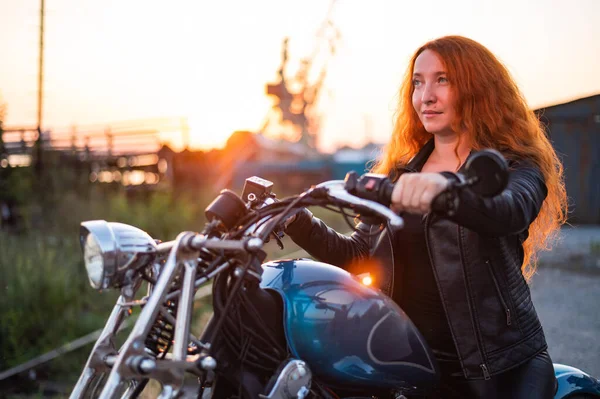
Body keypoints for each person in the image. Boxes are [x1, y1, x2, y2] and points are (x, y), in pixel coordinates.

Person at [285, 35, 567, 398]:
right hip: (412, 364)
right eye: (418, 82)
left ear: (477, 89)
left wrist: (444, 192)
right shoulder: (402, 175)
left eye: (442, 80)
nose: (425, 96)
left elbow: (507, 212)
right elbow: (359, 256)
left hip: (501, 369)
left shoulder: (514, 167)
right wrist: (295, 218)